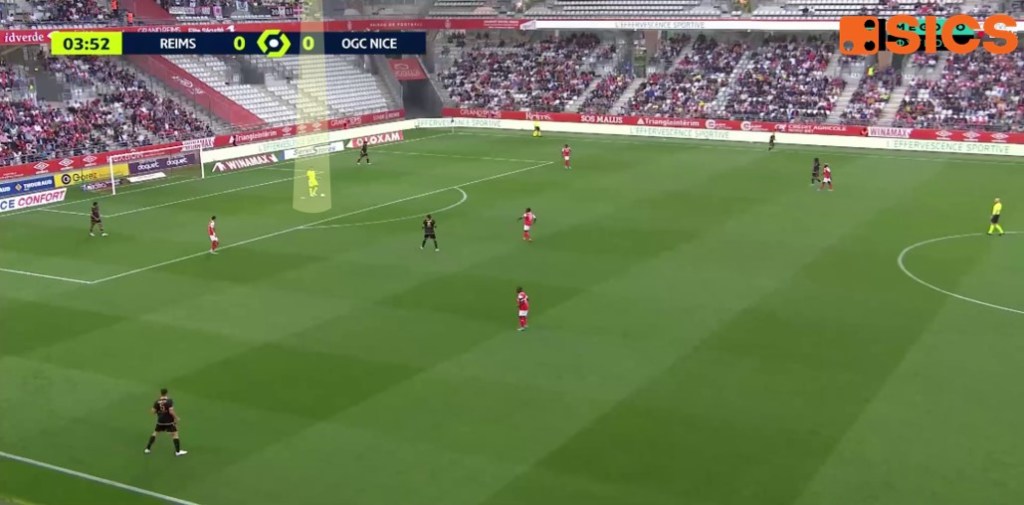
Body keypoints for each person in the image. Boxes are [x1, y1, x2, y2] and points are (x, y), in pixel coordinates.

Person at [144, 388, 187, 456]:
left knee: (155, 433)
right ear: (167, 393)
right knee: (175, 434)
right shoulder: (169, 401)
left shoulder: (157, 401)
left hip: (160, 421)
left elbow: (153, 411)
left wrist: (159, 412)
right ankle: (178, 452)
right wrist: (176, 417)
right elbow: (171, 411)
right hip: (169, 421)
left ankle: (147, 449)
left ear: (160, 393)